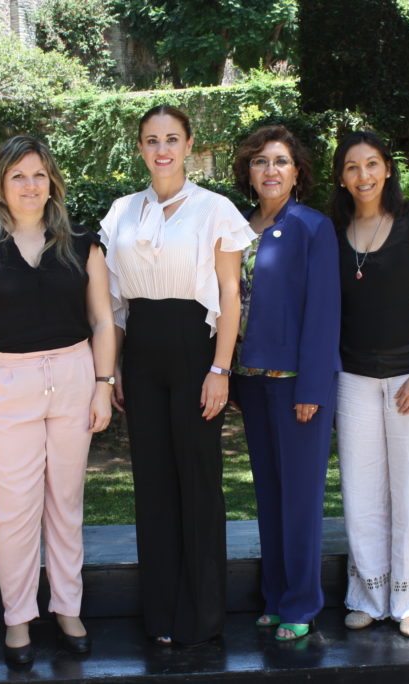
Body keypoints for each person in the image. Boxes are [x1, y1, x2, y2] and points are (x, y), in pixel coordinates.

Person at [0, 136, 116, 665]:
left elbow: (103, 320)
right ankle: (18, 618)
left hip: (72, 375)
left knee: (65, 504)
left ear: (53, 182)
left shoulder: (82, 243)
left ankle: (68, 608)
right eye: (18, 175)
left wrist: (103, 385)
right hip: (3, 383)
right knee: (16, 511)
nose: (30, 185)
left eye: (39, 174)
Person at [100, 104, 254, 647]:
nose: (161, 149)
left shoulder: (216, 210)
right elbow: (116, 305)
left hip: (196, 351)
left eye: (171, 138)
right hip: (141, 355)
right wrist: (114, 367)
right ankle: (160, 615)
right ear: (140, 147)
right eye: (151, 139)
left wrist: (220, 368)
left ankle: (202, 615)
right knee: (153, 487)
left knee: (198, 484)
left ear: (189, 145)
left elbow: (230, 296)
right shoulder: (120, 212)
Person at [330, 130, 409, 639]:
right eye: (354, 167)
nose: (364, 176)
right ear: (342, 176)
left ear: (388, 169)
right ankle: (367, 595)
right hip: (353, 377)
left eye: (373, 164)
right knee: (361, 492)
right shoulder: (334, 229)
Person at [229, 125, 340, 642]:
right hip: (250, 382)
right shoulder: (234, 227)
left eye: (280, 161)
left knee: (300, 498)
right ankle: (275, 596)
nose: (269, 170)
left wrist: (312, 389)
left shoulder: (313, 227)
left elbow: (323, 314)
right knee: (269, 496)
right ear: (247, 172)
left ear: (298, 172)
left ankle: (301, 601)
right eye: (259, 161)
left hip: (298, 384)